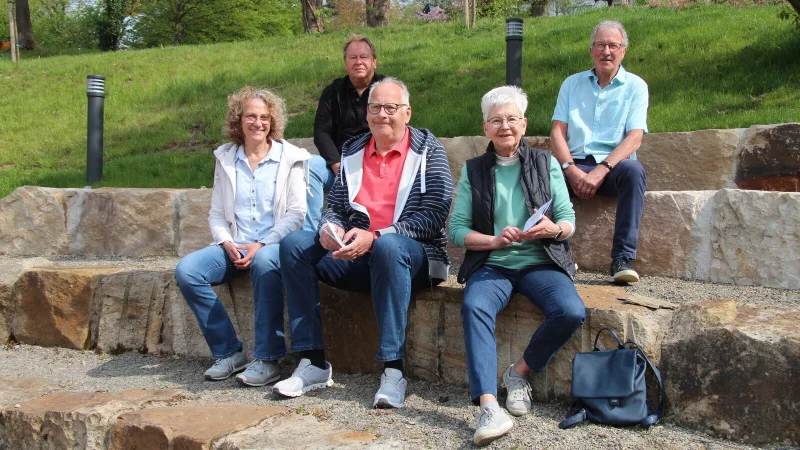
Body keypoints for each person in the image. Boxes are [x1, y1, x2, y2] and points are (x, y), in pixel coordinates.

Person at [274, 77, 453, 409]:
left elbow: (435, 213)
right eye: (375, 107)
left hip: (414, 259)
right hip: (356, 257)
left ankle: (393, 370)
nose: (382, 114)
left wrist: (379, 235)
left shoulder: (429, 149)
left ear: (407, 113)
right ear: (366, 112)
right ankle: (313, 361)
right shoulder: (353, 149)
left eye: (391, 107)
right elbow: (336, 205)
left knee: (388, 247)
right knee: (294, 244)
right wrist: (330, 227)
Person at [450, 86, 585, 446]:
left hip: (541, 261)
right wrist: (493, 241)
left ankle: (519, 373)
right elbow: (457, 230)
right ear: (485, 127)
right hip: (493, 264)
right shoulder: (473, 170)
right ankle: (488, 406)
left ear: (524, 124)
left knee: (571, 311)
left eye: (512, 119)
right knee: (475, 306)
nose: (505, 126)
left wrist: (554, 229)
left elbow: (568, 219)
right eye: (496, 120)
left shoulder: (546, 162)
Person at [174, 87, 313, 387]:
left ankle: (268, 359)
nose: (258, 123)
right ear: (239, 120)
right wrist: (226, 242)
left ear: (273, 121)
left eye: (264, 117)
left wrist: (262, 244)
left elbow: (296, 214)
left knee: (264, 262)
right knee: (187, 271)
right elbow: (216, 213)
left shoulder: (290, 158)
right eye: (251, 116)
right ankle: (228, 352)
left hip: (272, 245)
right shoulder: (226, 158)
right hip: (233, 245)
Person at [550, 20, 649, 284]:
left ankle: (622, 259)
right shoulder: (571, 84)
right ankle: (560, 256)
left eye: (613, 46)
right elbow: (557, 132)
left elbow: (635, 137)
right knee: (541, 172)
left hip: (614, 167)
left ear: (623, 51)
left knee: (635, 171)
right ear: (591, 50)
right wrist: (569, 169)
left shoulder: (636, 86)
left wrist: (602, 169)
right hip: (574, 165)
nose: (606, 51)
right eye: (600, 45)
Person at [313, 34, 385, 192]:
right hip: (340, 168)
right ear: (345, 63)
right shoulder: (333, 92)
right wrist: (338, 168)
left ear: (374, 61)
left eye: (363, 57)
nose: (358, 62)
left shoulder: (387, 89)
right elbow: (321, 132)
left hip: (380, 168)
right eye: (353, 57)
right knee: (311, 166)